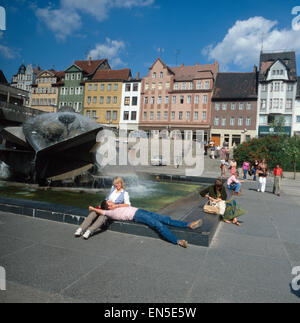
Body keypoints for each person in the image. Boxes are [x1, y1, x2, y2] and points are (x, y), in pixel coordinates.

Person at [78, 201, 203, 248]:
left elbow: (127, 204)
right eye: (109, 202)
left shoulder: (116, 205)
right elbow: (101, 210)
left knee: (165, 219)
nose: (111, 201)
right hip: (137, 216)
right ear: (108, 206)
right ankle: (178, 241)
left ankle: (188, 224)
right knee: (158, 225)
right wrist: (93, 208)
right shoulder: (109, 212)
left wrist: (117, 204)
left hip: (140, 210)